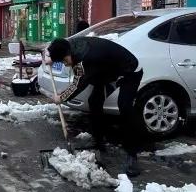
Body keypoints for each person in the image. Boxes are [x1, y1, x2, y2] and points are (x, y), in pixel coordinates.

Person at [47, 37, 144, 177]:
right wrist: (54, 59)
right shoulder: (71, 46)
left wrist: (61, 97)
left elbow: (78, 85)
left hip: (130, 70)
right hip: (109, 70)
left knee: (125, 107)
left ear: (68, 53)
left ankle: (132, 155)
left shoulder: (85, 59)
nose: (65, 64)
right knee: (94, 101)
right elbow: (61, 54)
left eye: (64, 61)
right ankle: (99, 141)